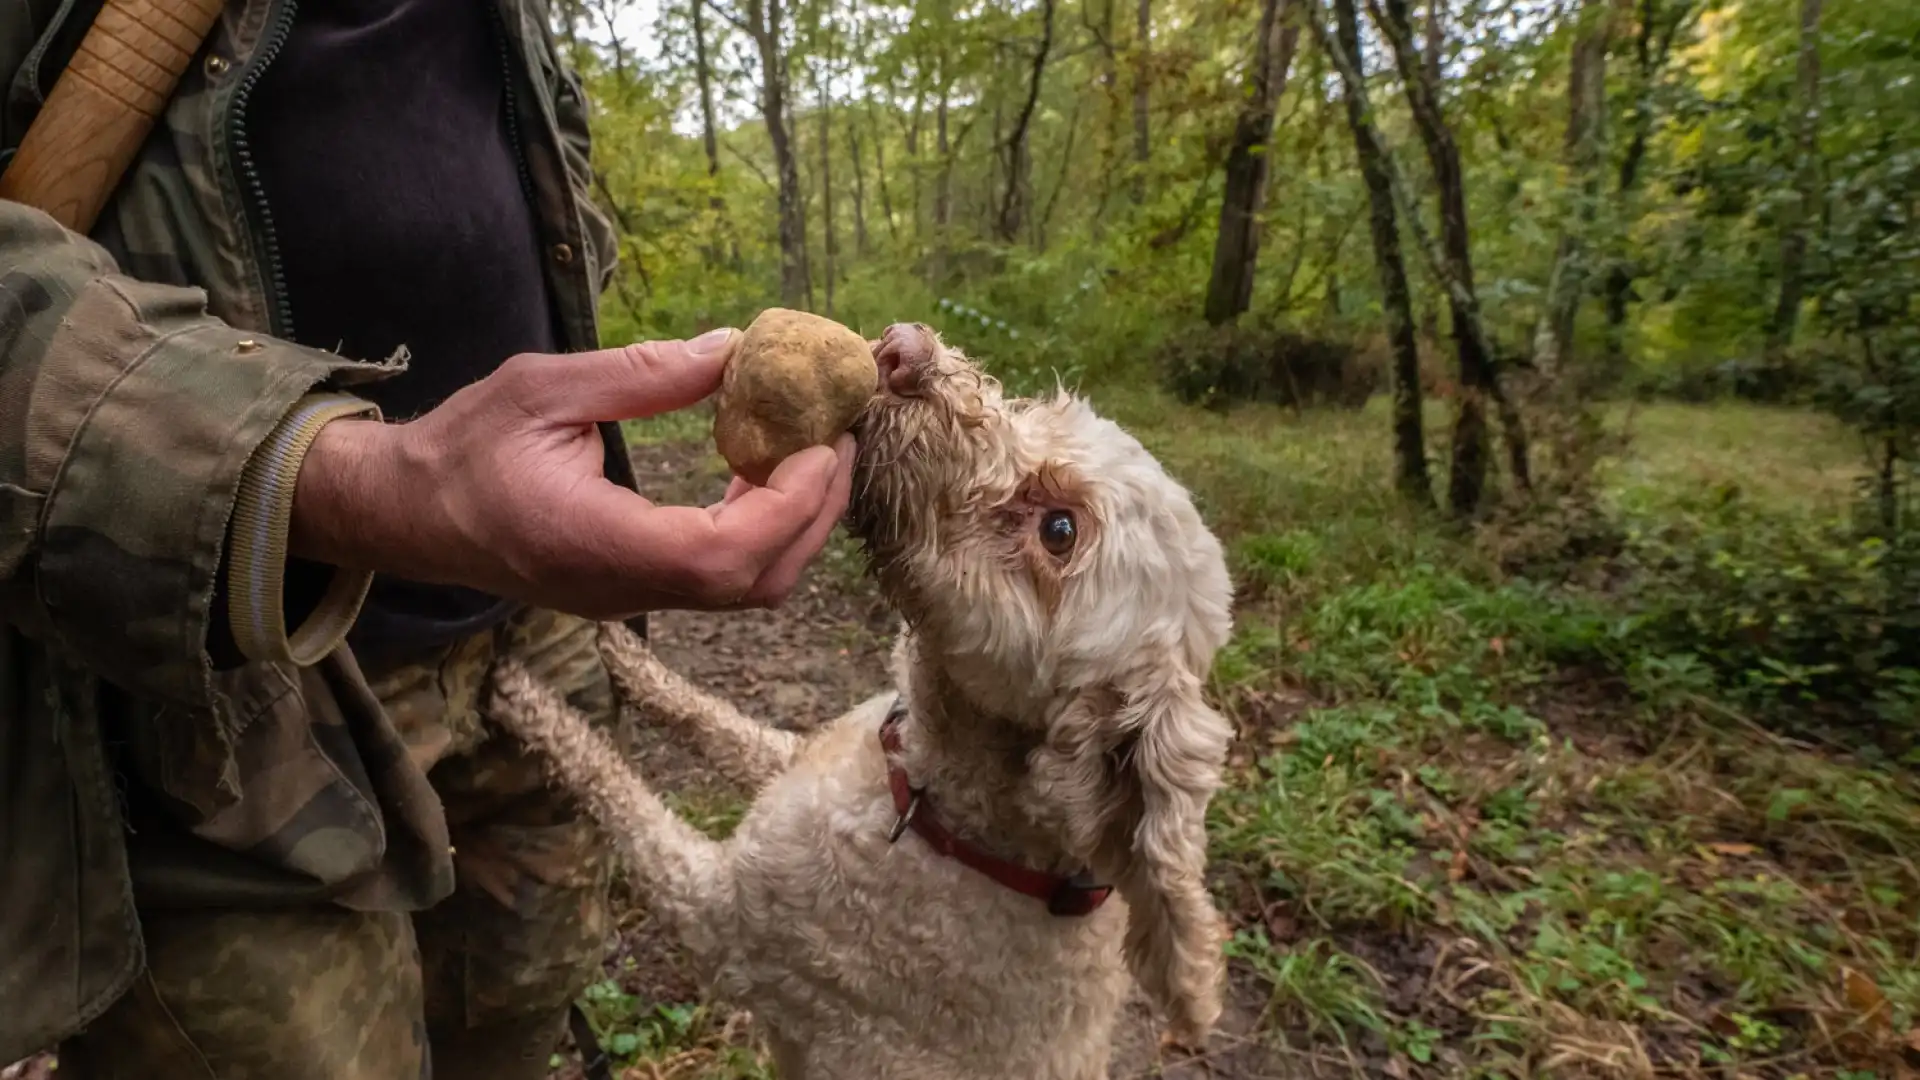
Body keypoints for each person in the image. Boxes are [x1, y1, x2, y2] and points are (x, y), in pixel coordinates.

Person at [0, 1, 854, 1078]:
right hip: (214, 716)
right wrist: (342, 478)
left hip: (532, 645)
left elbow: (539, 155)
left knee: (513, 1019)